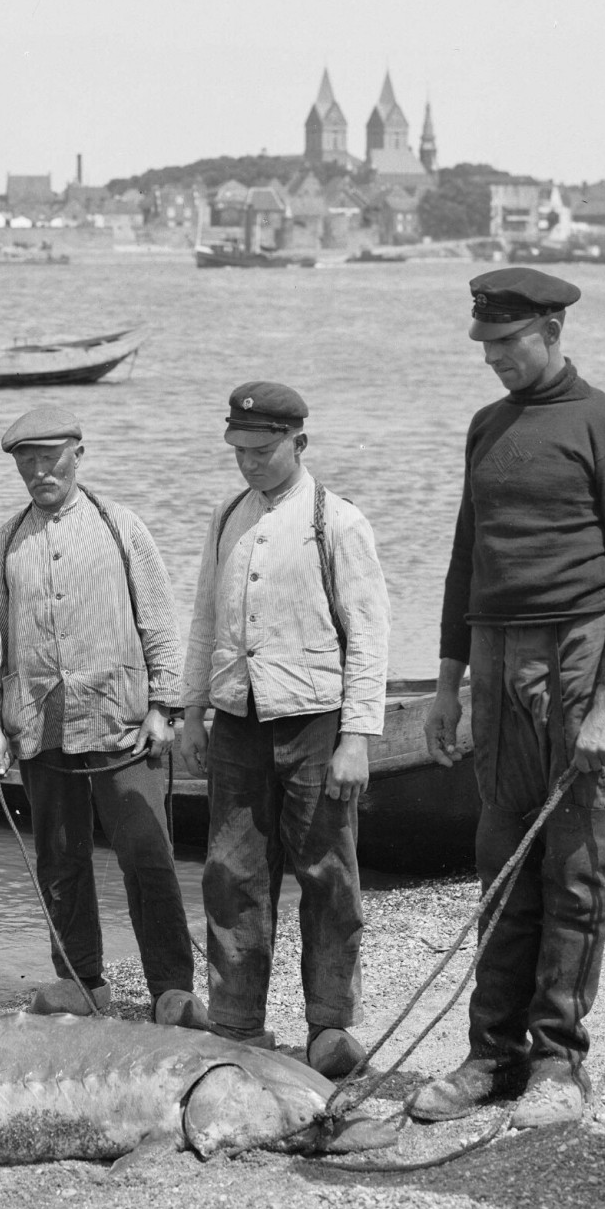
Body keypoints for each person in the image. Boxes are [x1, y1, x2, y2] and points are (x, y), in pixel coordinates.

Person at [413, 269, 605, 1128]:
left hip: (578, 653)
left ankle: (559, 1061)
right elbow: (466, 560)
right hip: (494, 657)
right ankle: (493, 1054)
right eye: (484, 343)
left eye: (507, 341)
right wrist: (446, 684)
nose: (492, 357)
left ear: (553, 330)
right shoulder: (486, 427)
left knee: (574, 863)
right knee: (502, 854)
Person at [0, 404, 205, 1027]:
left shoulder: (121, 527)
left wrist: (164, 707)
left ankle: (172, 989)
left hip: (121, 720)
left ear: (78, 456)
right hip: (37, 723)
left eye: (50, 459)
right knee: (60, 857)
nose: (39, 473)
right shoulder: (4, 543)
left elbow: (159, 620)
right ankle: (81, 982)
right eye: (27, 462)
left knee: (146, 852)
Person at [175, 383, 390, 1077]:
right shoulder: (226, 518)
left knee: (328, 874)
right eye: (238, 451)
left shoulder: (338, 522)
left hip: (316, 723)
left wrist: (356, 737)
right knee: (230, 873)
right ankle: (237, 1023)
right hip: (237, 722)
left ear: (299, 443)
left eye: (261, 451)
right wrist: (192, 712)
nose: (249, 463)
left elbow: (369, 634)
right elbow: (205, 620)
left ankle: (329, 1026)